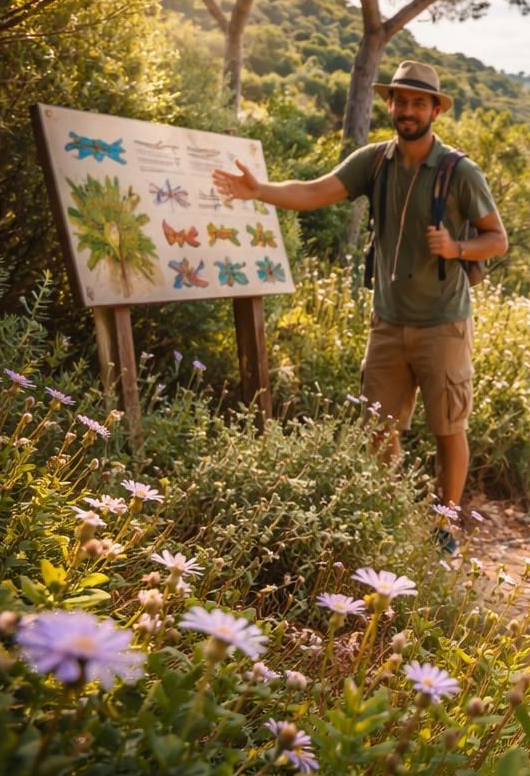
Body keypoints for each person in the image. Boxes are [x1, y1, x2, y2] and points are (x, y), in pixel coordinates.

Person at [214, 61, 507, 519]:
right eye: (401, 101)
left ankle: (446, 526)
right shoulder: (374, 160)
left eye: (419, 103)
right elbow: (314, 192)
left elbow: (497, 239)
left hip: (443, 325)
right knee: (375, 429)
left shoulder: (459, 171)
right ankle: (387, 519)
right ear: (390, 104)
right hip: (387, 324)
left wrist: (456, 247)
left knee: (448, 429)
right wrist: (259, 191)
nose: (408, 111)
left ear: (435, 111)